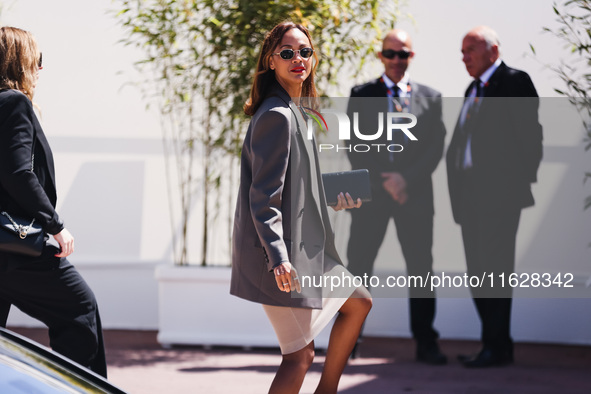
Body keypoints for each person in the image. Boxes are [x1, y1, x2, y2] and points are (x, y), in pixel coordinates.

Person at [230, 22, 372, 393]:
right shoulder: (278, 116)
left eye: (305, 52)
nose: (298, 60)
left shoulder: (297, 111)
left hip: (301, 250)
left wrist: (334, 195)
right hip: (279, 257)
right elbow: (262, 198)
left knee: (358, 303)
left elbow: (296, 187)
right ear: (271, 61)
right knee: (299, 356)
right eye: (288, 53)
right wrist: (278, 258)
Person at [0, 26, 107, 377]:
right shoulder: (13, 103)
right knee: (80, 309)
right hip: (14, 247)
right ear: (20, 62)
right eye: (38, 60)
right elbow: (18, 173)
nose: (41, 69)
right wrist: (55, 225)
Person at [345, 29, 447, 364]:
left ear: (411, 57)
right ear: (381, 56)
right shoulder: (361, 94)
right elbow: (354, 144)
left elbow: (435, 147)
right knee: (359, 267)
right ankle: (350, 340)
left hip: (414, 196)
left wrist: (406, 179)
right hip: (371, 195)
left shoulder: (431, 97)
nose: (396, 61)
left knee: (421, 268)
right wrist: (384, 180)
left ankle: (425, 342)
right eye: (390, 54)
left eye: (403, 54)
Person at [446, 26, 543, 368]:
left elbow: (531, 138)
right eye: (462, 51)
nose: (464, 57)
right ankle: (497, 344)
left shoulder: (514, 82)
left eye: (470, 49)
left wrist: (514, 186)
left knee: (495, 273)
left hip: (499, 200)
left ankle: (495, 347)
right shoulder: (472, 89)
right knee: (478, 273)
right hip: (469, 199)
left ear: (493, 50)